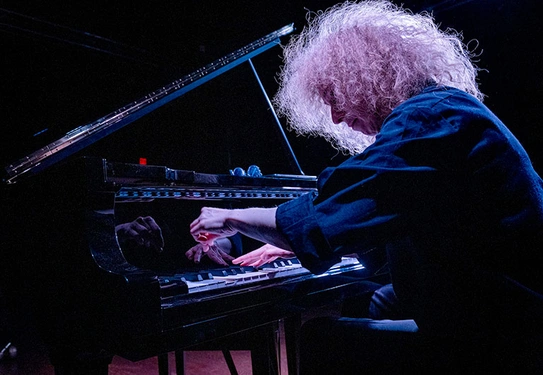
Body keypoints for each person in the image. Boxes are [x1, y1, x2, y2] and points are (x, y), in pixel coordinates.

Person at [190, 0, 543, 372]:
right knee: (376, 302)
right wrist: (291, 247)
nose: (336, 117)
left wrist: (229, 216)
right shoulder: (447, 112)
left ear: (369, 78)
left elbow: (317, 220)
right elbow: (381, 231)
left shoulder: (428, 120)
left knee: (323, 339)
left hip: (507, 340)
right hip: (505, 313)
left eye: (335, 98)